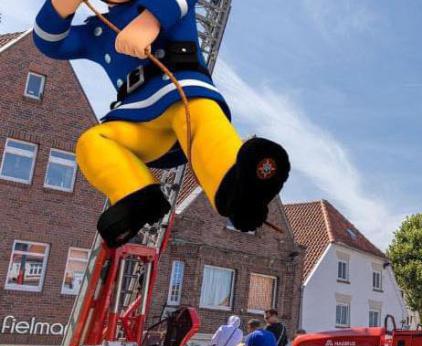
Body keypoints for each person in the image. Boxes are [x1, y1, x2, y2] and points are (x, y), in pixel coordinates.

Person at [33, 0, 289, 248]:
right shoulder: (97, 31)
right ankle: (135, 195)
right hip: (138, 117)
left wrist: (150, 19)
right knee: (93, 141)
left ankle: (238, 191)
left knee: (201, 119)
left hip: (183, 92)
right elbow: (50, 42)